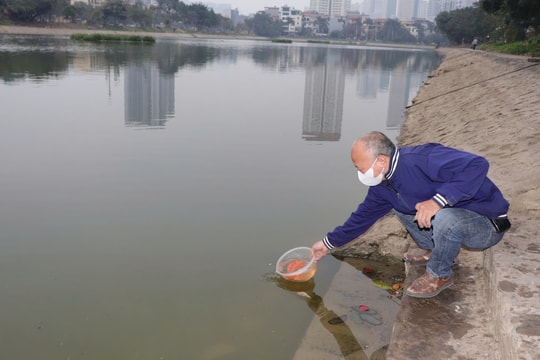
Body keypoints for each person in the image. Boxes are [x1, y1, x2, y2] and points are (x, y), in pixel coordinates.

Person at [311, 131, 511, 298]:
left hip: (486, 224)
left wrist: (439, 201)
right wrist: (327, 243)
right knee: (400, 205)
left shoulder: (423, 158)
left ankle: (439, 274)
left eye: (359, 166)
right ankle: (438, 251)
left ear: (380, 160)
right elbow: (362, 217)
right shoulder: (383, 185)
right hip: (454, 221)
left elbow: (478, 164)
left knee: (444, 217)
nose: (359, 172)